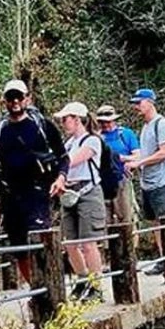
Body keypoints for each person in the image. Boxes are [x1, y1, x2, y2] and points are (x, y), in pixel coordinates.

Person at [0, 79, 67, 285]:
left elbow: (63, 156)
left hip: (38, 192)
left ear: (27, 98)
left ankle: (51, 289)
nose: (15, 101)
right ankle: (36, 290)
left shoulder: (42, 126)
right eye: (10, 97)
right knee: (20, 248)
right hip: (10, 196)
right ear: (4, 101)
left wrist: (61, 178)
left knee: (41, 241)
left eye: (19, 97)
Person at [53, 102, 106, 301]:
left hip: (88, 192)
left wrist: (58, 165)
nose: (63, 123)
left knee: (88, 243)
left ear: (77, 119)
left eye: (65, 119)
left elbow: (71, 161)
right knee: (70, 243)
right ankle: (82, 279)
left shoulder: (92, 141)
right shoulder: (68, 143)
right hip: (69, 194)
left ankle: (96, 285)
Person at [123, 88, 165, 275]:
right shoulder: (145, 127)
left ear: (150, 102)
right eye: (134, 104)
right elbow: (145, 155)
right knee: (154, 223)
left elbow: (164, 153)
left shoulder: (161, 124)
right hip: (148, 183)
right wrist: (129, 161)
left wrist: (140, 162)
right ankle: (164, 259)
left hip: (163, 182)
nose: (136, 107)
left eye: (139, 103)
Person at [96, 103, 141, 244]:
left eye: (108, 121)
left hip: (121, 179)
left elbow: (138, 155)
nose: (106, 125)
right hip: (101, 181)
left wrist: (120, 158)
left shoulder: (125, 134)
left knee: (126, 216)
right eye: (103, 122)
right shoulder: (96, 138)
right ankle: (108, 254)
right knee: (104, 219)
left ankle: (130, 250)